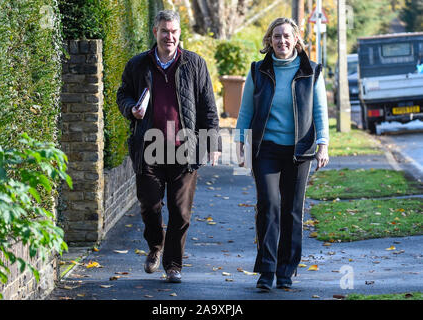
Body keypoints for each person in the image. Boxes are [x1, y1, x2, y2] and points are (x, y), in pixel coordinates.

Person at [116, 10, 221, 283]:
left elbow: (208, 106)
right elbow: (123, 94)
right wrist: (131, 109)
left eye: (174, 32)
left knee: (181, 212)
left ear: (179, 34)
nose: (169, 37)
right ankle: (155, 245)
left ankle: (173, 265)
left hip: (184, 149)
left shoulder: (195, 64)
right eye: (165, 31)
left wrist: (213, 142)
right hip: (149, 148)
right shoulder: (139, 64)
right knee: (149, 205)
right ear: (155, 32)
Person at [235, 17, 329, 291]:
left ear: (296, 39)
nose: (282, 41)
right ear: (269, 40)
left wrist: (323, 144)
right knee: (269, 206)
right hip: (266, 149)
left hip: (300, 151)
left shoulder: (311, 71)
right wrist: (240, 143)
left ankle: (286, 271)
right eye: (276, 37)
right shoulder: (257, 71)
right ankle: (266, 271)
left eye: (287, 36)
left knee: (291, 211)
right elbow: (245, 112)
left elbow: (320, 112)